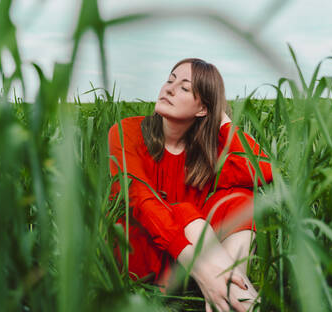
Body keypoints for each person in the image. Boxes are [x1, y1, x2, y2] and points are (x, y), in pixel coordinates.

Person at [108, 58, 272, 312]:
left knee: (240, 198)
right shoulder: (127, 131)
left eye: (184, 88)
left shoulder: (207, 150)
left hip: (191, 259)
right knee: (183, 211)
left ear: (203, 109)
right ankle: (242, 299)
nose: (169, 89)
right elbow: (139, 199)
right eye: (170, 79)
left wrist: (221, 118)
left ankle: (228, 295)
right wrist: (199, 265)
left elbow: (261, 170)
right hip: (141, 258)